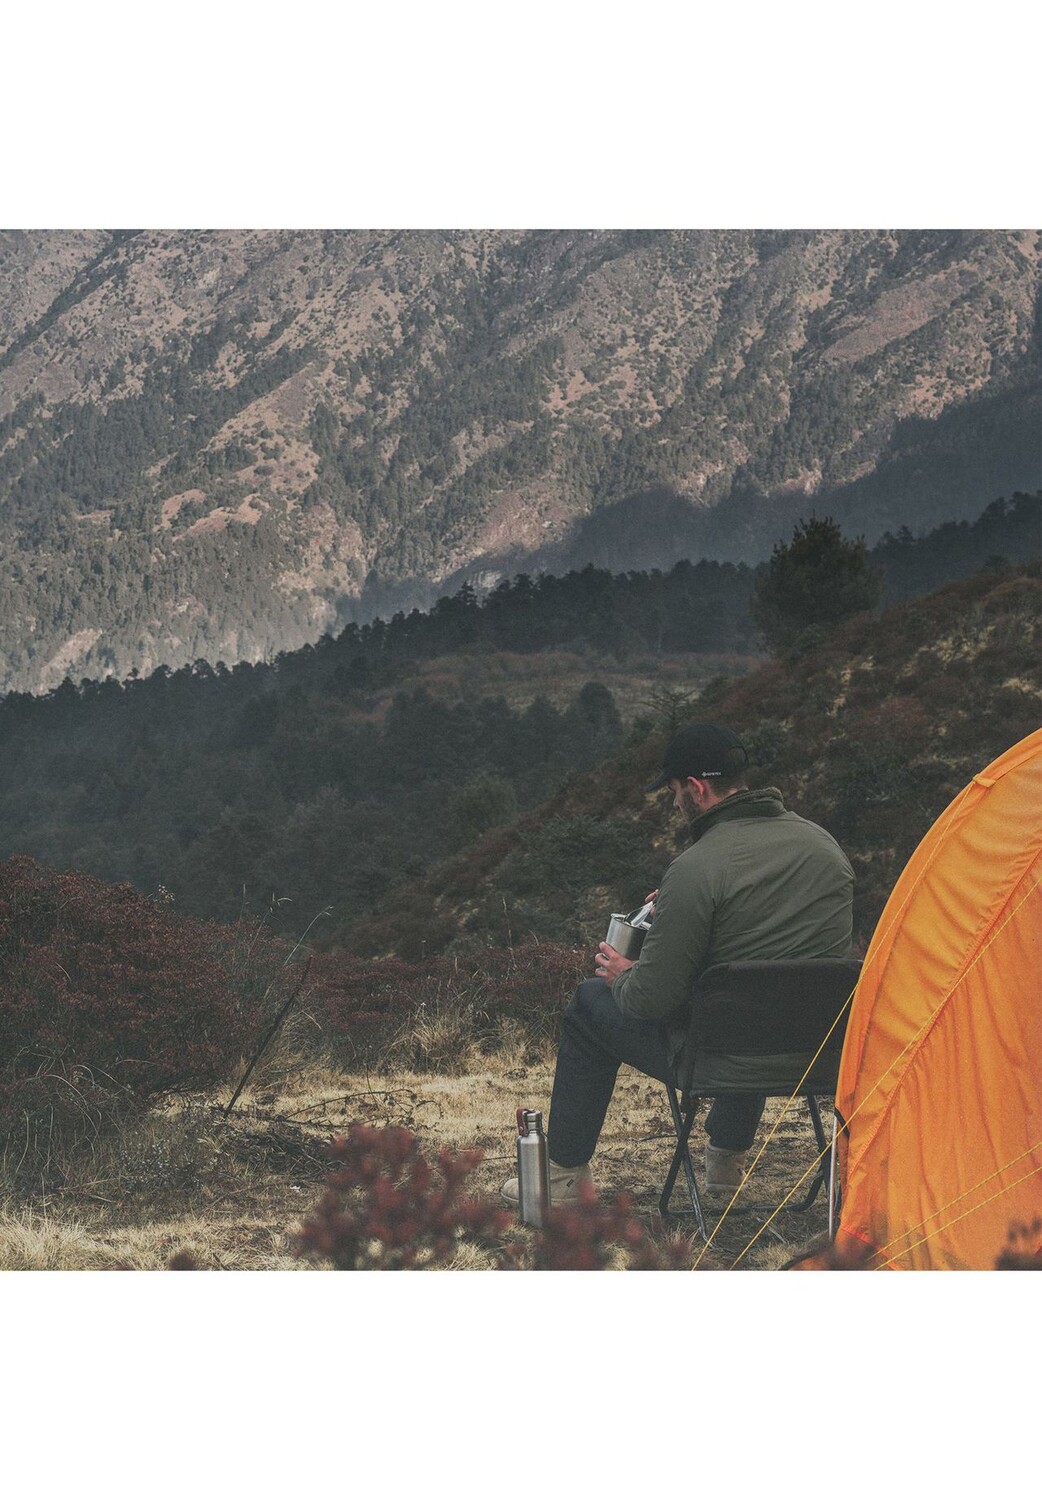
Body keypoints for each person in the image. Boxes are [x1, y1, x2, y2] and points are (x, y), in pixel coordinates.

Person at [501, 721, 854, 1206]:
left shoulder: (696, 867)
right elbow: (766, 945)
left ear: (696, 788)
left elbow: (650, 999)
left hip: (718, 1060)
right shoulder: (826, 849)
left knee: (588, 1004)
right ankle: (725, 1167)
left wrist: (623, 974)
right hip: (817, 1057)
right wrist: (678, 915)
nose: (673, 804)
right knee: (760, 994)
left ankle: (562, 1179)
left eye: (672, 792)